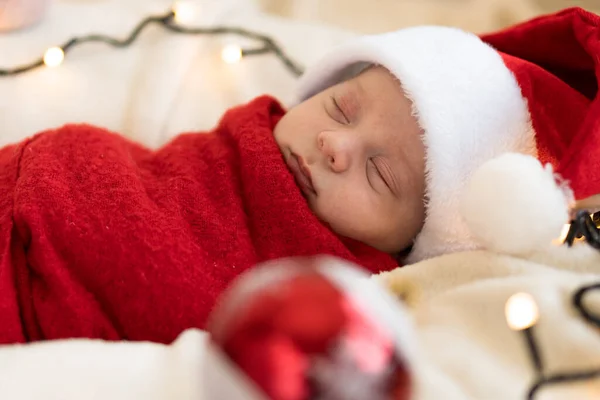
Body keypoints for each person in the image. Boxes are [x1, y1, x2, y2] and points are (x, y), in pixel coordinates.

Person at [0, 6, 599, 346]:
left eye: (380, 173)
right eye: (341, 106)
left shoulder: (355, 292)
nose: (334, 146)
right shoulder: (255, 131)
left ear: (411, 241)